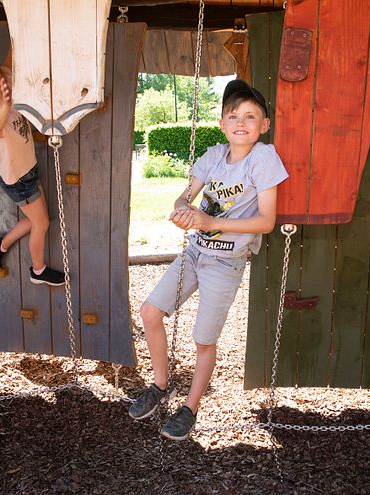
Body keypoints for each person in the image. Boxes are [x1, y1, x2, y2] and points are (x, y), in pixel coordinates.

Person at [128, 80, 288, 440]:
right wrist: (183, 211)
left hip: (225, 262)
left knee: (203, 339)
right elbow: (182, 199)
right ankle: (159, 384)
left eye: (250, 116)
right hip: (195, 252)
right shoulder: (213, 155)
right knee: (150, 312)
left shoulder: (263, 159)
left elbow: (267, 220)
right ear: (222, 124)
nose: (241, 122)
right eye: (233, 116)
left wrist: (210, 221)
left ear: (264, 125)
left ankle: (190, 407)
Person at [0, 50, 64, 286]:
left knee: (36, 219)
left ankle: (0, 245)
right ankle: (38, 271)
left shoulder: (4, 80)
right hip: (18, 180)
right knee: (42, 223)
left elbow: (10, 55)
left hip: (28, 170)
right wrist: (5, 104)